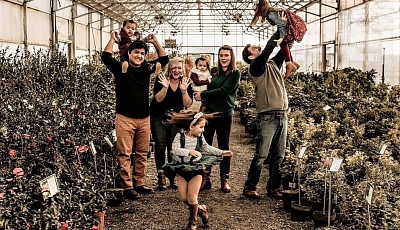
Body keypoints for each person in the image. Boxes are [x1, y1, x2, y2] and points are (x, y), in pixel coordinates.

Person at [101, 33, 169, 200]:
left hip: (144, 118)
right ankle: (127, 186)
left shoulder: (146, 68)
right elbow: (106, 57)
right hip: (124, 118)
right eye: (136, 52)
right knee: (124, 153)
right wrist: (112, 40)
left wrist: (155, 41)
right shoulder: (121, 68)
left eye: (142, 53)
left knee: (142, 152)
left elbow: (165, 60)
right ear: (129, 53)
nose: (139, 56)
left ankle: (139, 183)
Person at [162, 111, 233, 230]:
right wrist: (188, 152)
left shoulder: (200, 138)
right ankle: (200, 209)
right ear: (191, 127)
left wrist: (222, 152)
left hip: (196, 170)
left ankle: (192, 222)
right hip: (183, 170)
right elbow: (174, 150)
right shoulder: (180, 136)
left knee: (192, 197)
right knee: (184, 198)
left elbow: (206, 147)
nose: (203, 130)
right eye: (201, 127)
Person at [241, 30, 288, 199]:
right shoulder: (255, 67)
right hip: (267, 116)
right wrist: (279, 28)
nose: (258, 47)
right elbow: (268, 49)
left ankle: (274, 187)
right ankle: (249, 187)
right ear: (250, 56)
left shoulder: (272, 65)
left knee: (279, 154)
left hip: (282, 115)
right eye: (254, 48)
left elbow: (284, 50)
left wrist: (288, 32)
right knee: (262, 154)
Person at [193, 45, 240, 193]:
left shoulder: (235, 73)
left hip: (224, 114)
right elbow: (204, 86)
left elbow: (224, 91)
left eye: (226, 55)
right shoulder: (213, 72)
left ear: (231, 57)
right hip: (209, 115)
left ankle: (224, 179)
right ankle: (205, 178)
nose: (224, 58)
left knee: (223, 146)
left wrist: (203, 96)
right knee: (205, 144)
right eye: (221, 55)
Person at [150, 57, 194, 190]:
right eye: (173, 68)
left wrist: (184, 90)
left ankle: (172, 175)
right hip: (159, 116)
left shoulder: (186, 82)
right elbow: (157, 99)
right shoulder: (161, 79)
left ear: (182, 69)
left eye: (179, 68)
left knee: (173, 146)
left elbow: (188, 104)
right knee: (160, 144)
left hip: (176, 118)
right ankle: (161, 175)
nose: (176, 70)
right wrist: (165, 87)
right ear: (170, 68)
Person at [251, 0, 307, 78]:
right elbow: (279, 23)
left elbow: (281, 25)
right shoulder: (270, 13)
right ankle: (291, 62)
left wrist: (281, 38)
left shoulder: (270, 13)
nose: (257, 14)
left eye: (257, 11)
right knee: (284, 43)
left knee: (281, 42)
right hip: (295, 25)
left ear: (260, 8)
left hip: (294, 26)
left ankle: (288, 64)